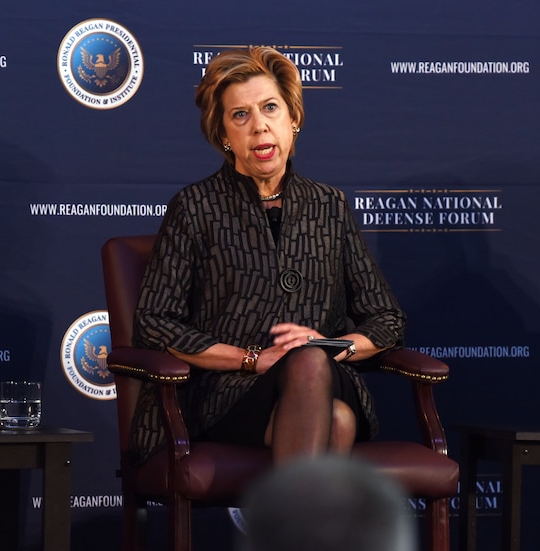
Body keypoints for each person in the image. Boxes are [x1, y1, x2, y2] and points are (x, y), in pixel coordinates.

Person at [130, 46, 406, 465]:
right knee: (338, 422)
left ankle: (283, 528)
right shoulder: (195, 206)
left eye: (270, 108)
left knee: (312, 363)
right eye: (240, 115)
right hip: (229, 393)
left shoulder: (329, 205)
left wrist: (328, 345)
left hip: (328, 375)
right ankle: (299, 531)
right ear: (223, 134)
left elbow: (387, 319)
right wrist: (252, 359)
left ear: (292, 119)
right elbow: (154, 322)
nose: (259, 127)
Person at [238, 455, 417, 551]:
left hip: (336, 392)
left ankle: (296, 533)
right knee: (339, 420)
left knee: (324, 399)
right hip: (245, 396)